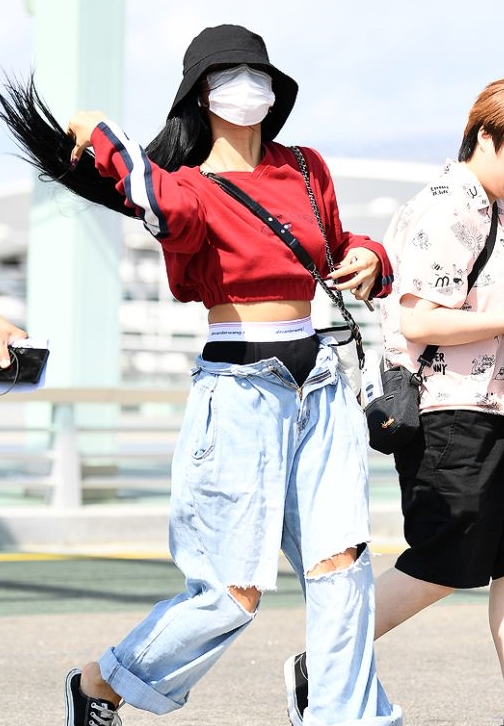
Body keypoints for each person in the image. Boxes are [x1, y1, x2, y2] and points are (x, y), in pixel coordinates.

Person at [0, 24, 402, 726]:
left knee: (343, 569)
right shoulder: (187, 189)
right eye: (232, 75)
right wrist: (101, 133)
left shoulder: (305, 167)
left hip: (320, 384)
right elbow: (156, 203)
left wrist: (372, 256)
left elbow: (337, 245)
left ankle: (347, 717)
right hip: (242, 392)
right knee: (229, 595)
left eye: (259, 73)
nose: (250, 86)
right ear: (203, 95)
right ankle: (100, 685)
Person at [284, 77, 504, 726]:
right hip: (452, 411)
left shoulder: (491, 210)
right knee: (444, 561)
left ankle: (327, 663)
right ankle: (324, 662)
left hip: (489, 407)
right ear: (486, 137)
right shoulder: (449, 206)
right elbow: (420, 320)